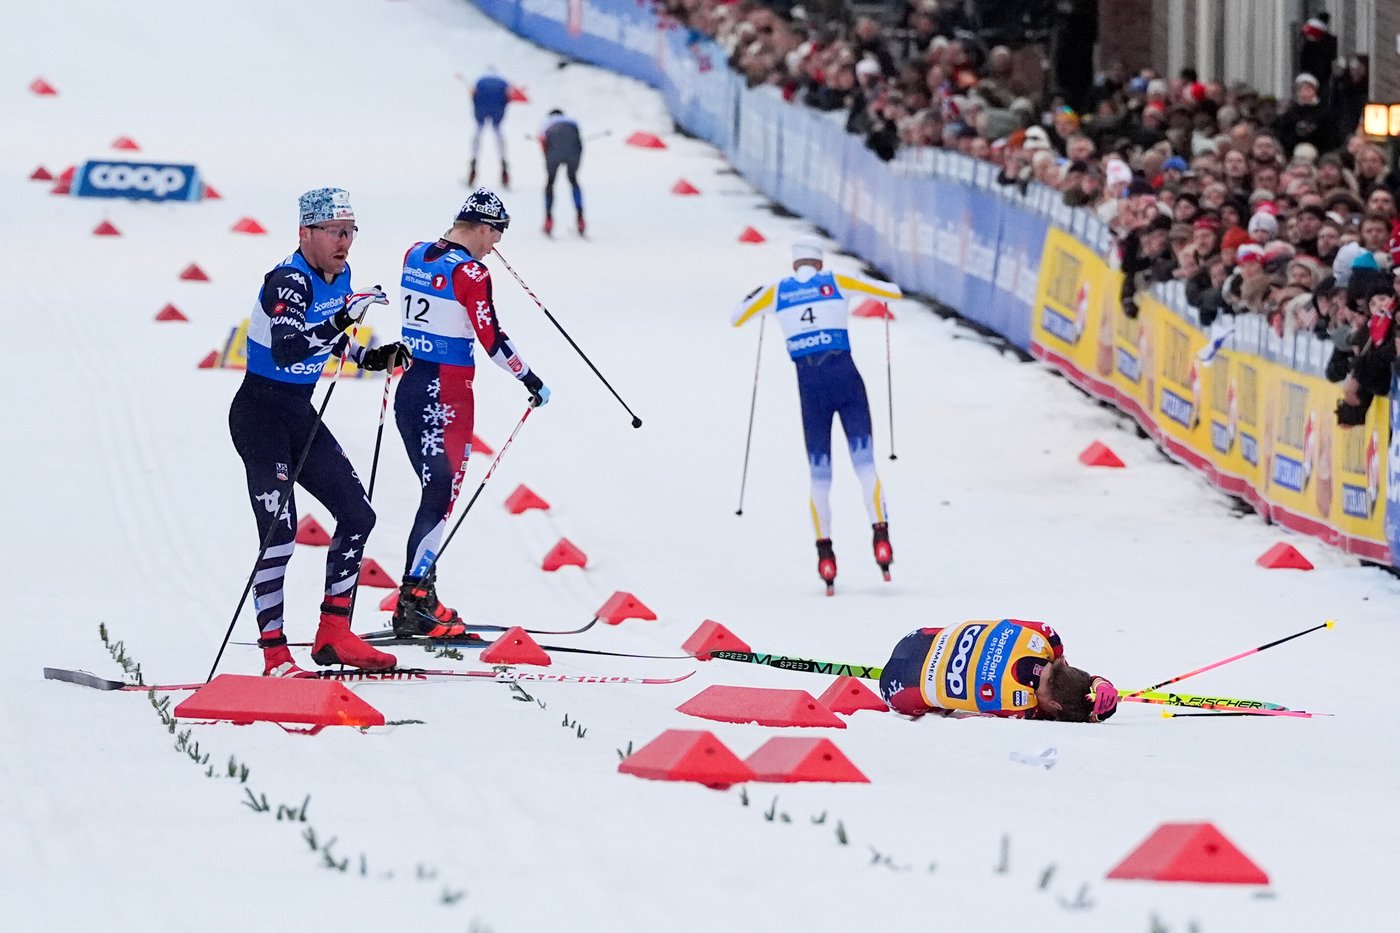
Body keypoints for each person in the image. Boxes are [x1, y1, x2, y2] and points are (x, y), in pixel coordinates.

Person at [229, 187, 411, 676]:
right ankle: (275, 656)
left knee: (358, 515)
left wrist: (369, 356)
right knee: (280, 534)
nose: (344, 242)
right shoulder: (287, 280)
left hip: (298, 413)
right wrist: (342, 318)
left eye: (349, 232)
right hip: (259, 414)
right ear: (305, 232)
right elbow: (289, 349)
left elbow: (332, 341)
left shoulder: (342, 275)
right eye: (334, 231)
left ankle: (334, 634)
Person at [391, 187, 550, 636]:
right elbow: (491, 337)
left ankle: (420, 595)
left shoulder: (415, 253)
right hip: (446, 394)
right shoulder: (473, 272)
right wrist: (529, 378)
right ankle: (415, 600)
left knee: (435, 493)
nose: (495, 246)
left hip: (412, 387)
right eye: (495, 235)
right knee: (440, 494)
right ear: (481, 227)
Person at [731, 235, 901, 594]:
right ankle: (881, 537)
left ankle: (825, 555)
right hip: (847, 380)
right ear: (819, 263)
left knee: (820, 477)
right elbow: (891, 292)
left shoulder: (776, 291)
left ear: (794, 265)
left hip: (810, 390)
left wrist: (756, 296)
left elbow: (736, 318)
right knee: (865, 465)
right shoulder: (836, 281)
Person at [879, 619, 1118, 722]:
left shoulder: (1046, 637)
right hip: (898, 688)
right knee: (950, 703)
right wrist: (1091, 713)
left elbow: (1062, 664)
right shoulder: (1022, 707)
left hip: (919, 637)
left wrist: (1095, 681)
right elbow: (1059, 716)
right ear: (1055, 705)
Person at [540, 109, 584, 236]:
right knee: (573, 179)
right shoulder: (572, 121)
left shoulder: (546, 122)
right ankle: (580, 218)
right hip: (573, 150)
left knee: (550, 182)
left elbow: (543, 142)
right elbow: (578, 142)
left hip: (554, 150)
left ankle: (548, 219)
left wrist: (548, 158)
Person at [469, 70, 512, 188]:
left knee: (478, 132)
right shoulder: (503, 82)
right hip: (497, 110)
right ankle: (504, 168)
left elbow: (474, 96)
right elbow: (508, 98)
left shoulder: (480, 81)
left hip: (482, 110)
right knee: (498, 133)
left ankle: (473, 166)